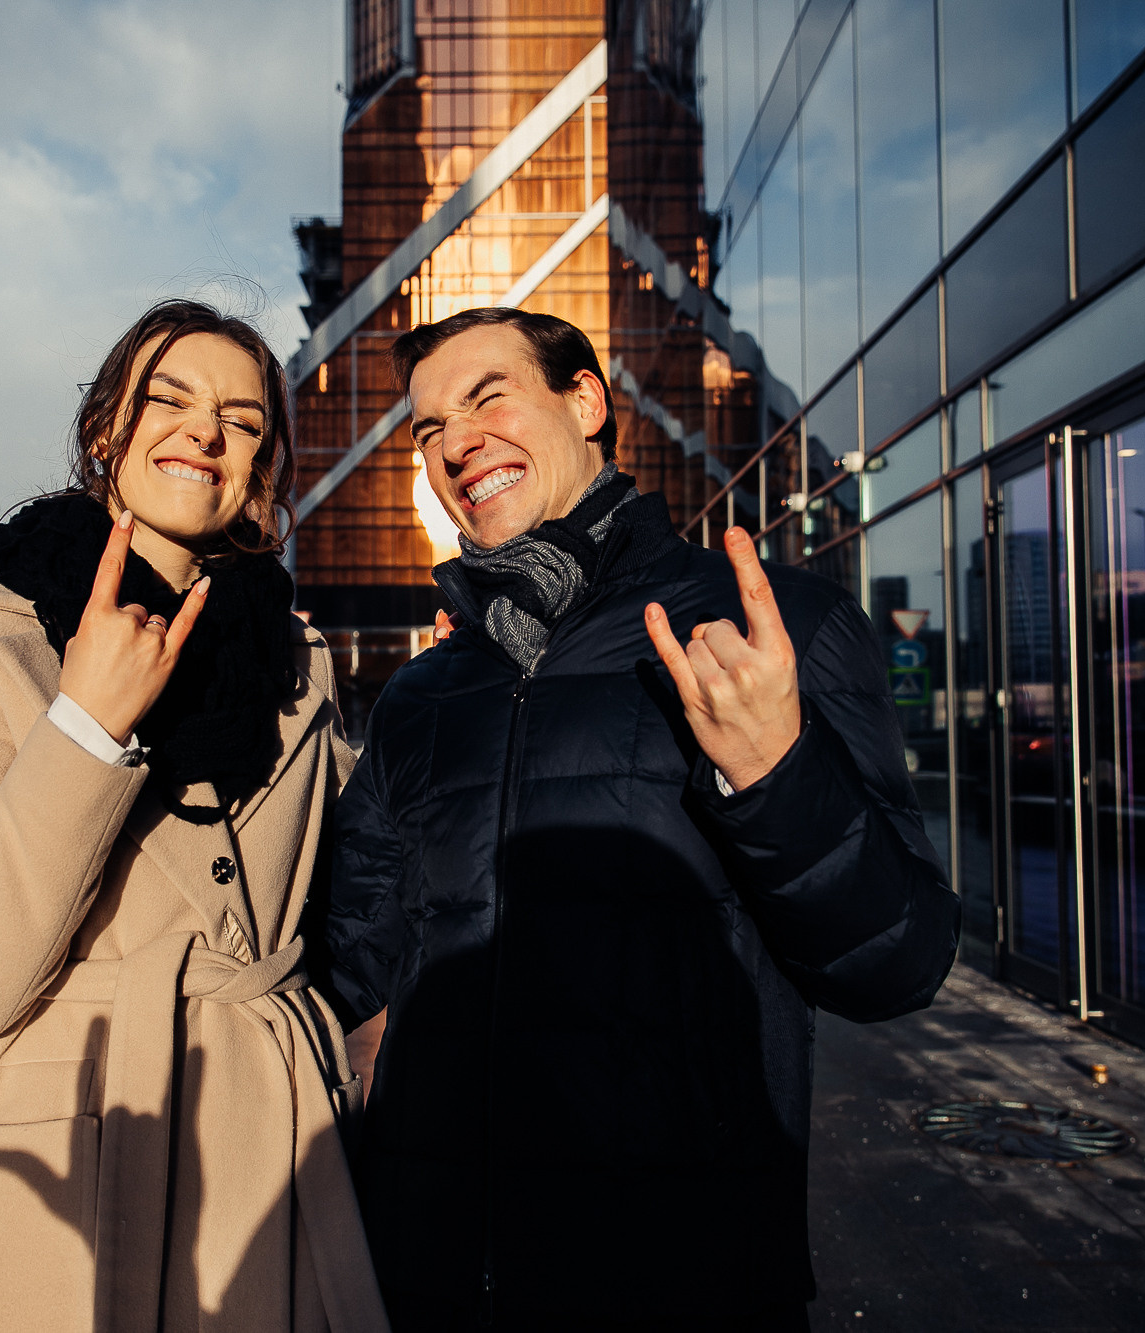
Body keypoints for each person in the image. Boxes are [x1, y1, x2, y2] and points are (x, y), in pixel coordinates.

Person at [316, 307, 960, 1330]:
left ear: (585, 403)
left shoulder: (770, 626)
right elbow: (347, 963)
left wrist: (771, 773)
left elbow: (896, 961)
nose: (454, 444)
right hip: (430, 1272)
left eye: (488, 398)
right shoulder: (423, 695)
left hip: (680, 1279)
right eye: (428, 430)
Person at [0, 300, 388, 1332]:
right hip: (59, 1167)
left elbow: (371, 883)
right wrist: (84, 723)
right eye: (169, 397)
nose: (204, 431)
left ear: (261, 469)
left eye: (242, 420)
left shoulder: (298, 668)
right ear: (106, 432)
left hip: (271, 1146)